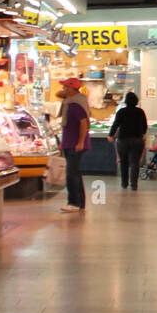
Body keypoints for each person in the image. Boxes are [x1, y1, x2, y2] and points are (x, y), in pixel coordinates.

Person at [58, 76, 90, 212]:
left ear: (72, 88)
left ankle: (73, 203)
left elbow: (84, 124)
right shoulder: (71, 102)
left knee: (71, 174)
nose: (63, 89)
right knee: (75, 173)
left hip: (75, 144)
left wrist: (80, 142)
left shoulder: (76, 104)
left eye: (66, 87)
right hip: (70, 142)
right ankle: (80, 202)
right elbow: (58, 94)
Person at [108, 91, 148, 191]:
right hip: (137, 140)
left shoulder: (121, 112)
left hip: (123, 140)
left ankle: (124, 183)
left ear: (125, 101)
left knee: (124, 162)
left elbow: (115, 124)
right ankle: (134, 184)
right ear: (136, 101)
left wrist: (110, 135)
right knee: (135, 162)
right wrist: (141, 133)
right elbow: (145, 126)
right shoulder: (140, 112)